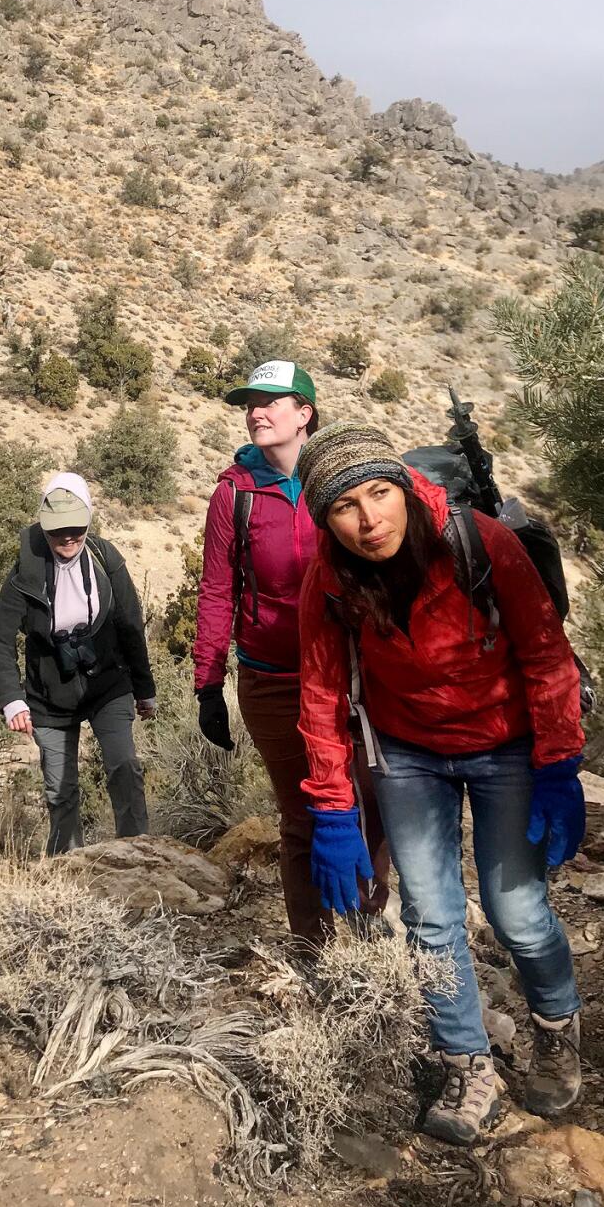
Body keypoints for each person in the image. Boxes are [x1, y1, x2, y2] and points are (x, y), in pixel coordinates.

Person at [294, 422, 586, 1145]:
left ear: (401, 486)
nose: (368, 519)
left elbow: (548, 654)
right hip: (407, 754)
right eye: (345, 507)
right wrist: (332, 808)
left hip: (507, 746)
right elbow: (321, 693)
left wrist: (559, 763)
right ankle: (466, 1062)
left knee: (517, 912)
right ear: (324, 519)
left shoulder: (479, 541)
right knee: (430, 917)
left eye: (378, 493)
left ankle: (556, 1023)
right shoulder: (330, 578)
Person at [193, 361, 390, 945]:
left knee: (369, 806)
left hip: (357, 676)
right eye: (251, 402)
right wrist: (208, 683)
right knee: (303, 819)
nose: (256, 411)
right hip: (273, 679)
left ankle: (368, 929)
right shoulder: (235, 495)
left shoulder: (339, 486)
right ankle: (314, 945)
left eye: (271, 401)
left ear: (305, 414)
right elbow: (217, 589)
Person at [0, 471, 156, 855]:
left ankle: (138, 853)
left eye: (76, 528)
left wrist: (145, 691)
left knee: (124, 767)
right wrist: (12, 699)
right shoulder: (24, 574)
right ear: (43, 529)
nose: (67, 537)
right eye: (56, 529)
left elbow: (131, 625)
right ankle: (68, 866)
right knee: (60, 789)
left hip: (107, 685)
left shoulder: (105, 559)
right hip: (49, 696)